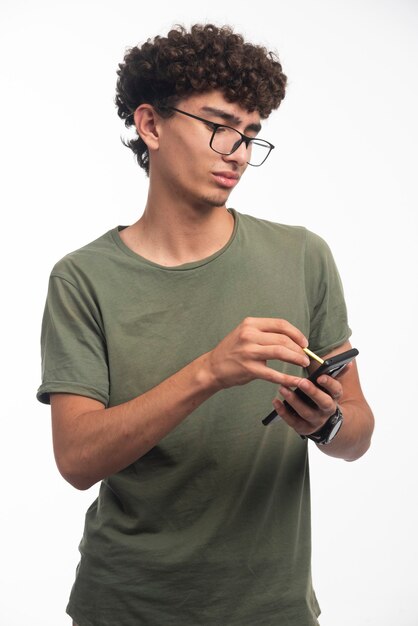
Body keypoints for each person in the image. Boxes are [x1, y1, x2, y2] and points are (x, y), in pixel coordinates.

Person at [37, 23, 374, 626]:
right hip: (126, 608)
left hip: (273, 610)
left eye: (251, 134)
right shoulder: (82, 279)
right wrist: (209, 372)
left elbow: (360, 431)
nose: (240, 152)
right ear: (151, 125)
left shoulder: (303, 255)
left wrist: (328, 424)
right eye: (220, 127)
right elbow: (77, 459)